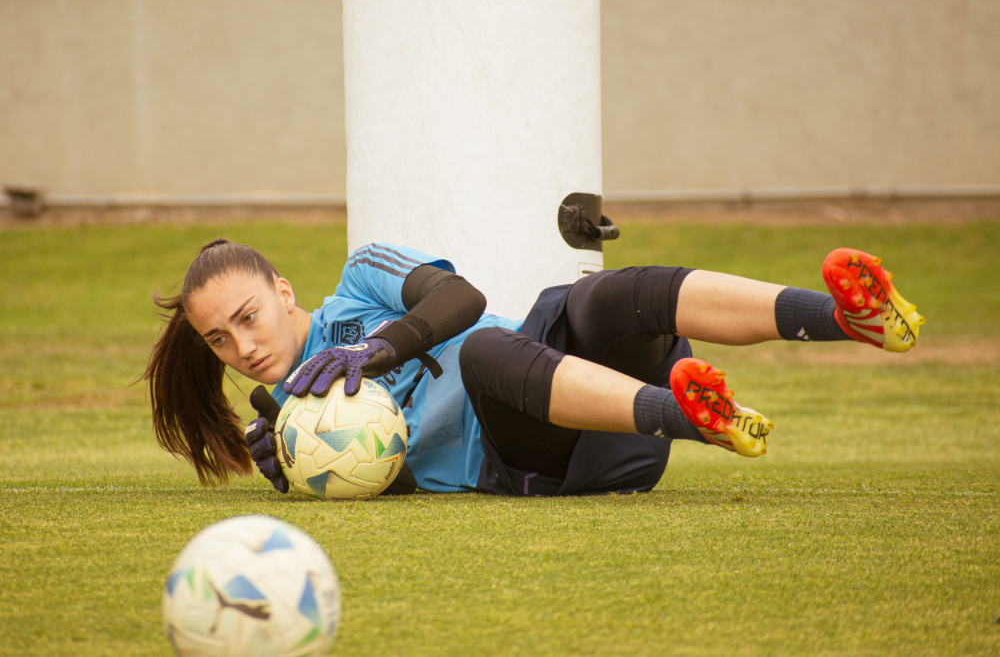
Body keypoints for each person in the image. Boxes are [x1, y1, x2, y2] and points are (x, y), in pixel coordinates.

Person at [142, 240, 924, 496]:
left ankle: (847, 317)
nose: (241, 346)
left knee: (612, 295)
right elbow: (406, 483)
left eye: (247, 317)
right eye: (219, 340)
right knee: (486, 353)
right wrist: (327, 474)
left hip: (563, 362)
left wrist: (377, 349)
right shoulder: (294, 419)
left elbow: (461, 296)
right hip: (533, 455)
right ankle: (693, 417)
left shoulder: (361, 276)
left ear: (281, 292)